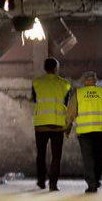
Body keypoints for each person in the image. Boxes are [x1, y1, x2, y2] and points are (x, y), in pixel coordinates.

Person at [65, 71, 102, 193]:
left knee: (88, 159)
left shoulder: (78, 94)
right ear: (96, 81)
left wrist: (67, 129)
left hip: (84, 133)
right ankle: (96, 180)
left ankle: (91, 184)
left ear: (84, 81)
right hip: (101, 131)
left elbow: (70, 114)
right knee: (98, 157)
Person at [31, 57, 72, 191]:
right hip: (57, 125)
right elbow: (66, 104)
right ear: (56, 68)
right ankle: (53, 184)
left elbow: (35, 100)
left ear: (44, 68)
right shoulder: (65, 84)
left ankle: (41, 182)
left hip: (41, 125)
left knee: (41, 155)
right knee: (56, 156)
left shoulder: (36, 83)